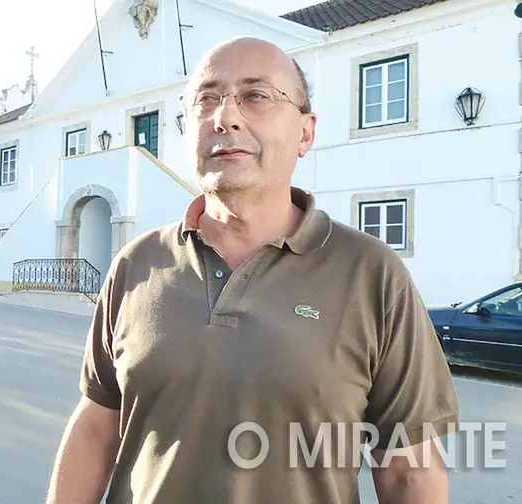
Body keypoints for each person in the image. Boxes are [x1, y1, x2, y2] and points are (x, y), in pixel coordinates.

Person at [45, 37, 459, 504]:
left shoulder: (372, 275)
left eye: (256, 96)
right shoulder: (135, 266)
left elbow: (408, 472)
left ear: (306, 132)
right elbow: (96, 431)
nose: (225, 117)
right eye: (206, 99)